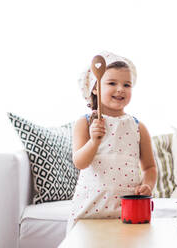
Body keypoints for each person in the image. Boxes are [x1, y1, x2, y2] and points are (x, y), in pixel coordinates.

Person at [67, 51, 157, 231]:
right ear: (94, 87)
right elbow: (80, 162)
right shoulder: (85, 123)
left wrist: (147, 184)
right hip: (89, 208)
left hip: (127, 210)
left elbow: (149, 167)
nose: (120, 89)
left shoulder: (138, 127)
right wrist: (94, 141)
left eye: (127, 84)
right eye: (112, 83)